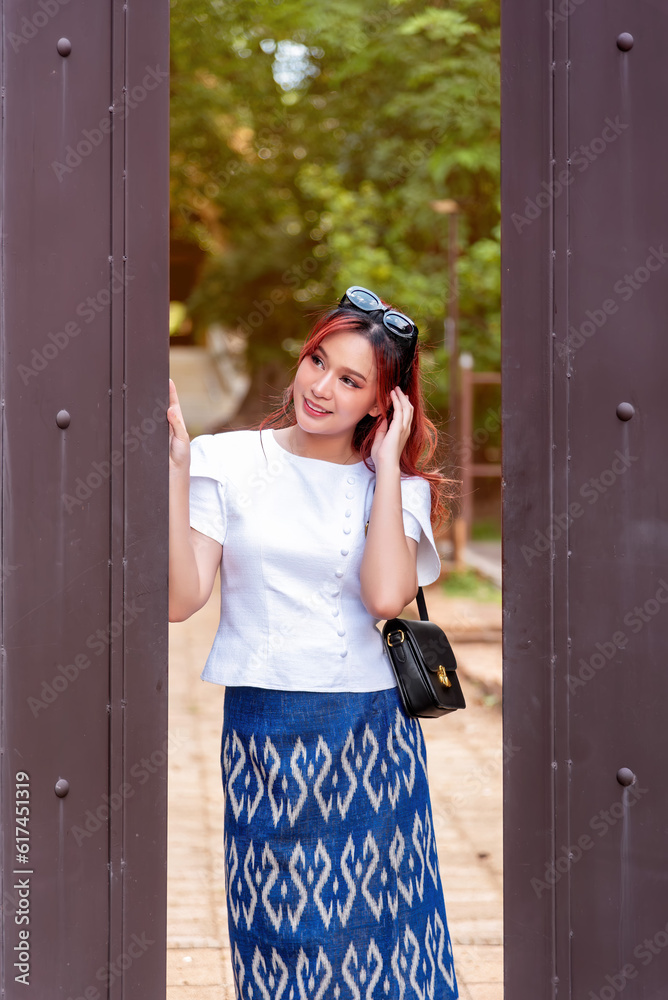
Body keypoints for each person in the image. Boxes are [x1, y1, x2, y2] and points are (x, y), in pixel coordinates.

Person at [168, 286, 459, 999]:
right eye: (317, 361)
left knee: (389, 938)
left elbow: (385, 597)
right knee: (282, 937)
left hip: (371, 738)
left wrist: (388, 466)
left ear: (382, 405)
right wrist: (176, 472)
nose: (321, 387)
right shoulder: (226, 460)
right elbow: (182, 600)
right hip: (268, 732)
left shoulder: (395, 489)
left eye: (351, 380)